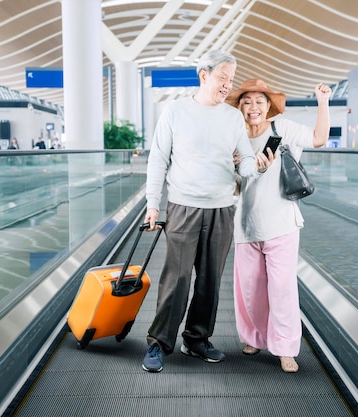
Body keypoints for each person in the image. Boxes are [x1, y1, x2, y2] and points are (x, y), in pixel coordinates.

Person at [142, 50, 274, 373]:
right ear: (204, 75)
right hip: (183, 206)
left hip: (221, 209)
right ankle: (159, 343)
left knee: (210, 281)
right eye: (222, 78)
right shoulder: (175, 112)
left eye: (231, 80)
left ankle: (196, 339)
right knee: (177, 277)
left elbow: (243, 161)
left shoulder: (232, 118)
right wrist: (152, 203)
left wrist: (255, 167)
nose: (227, 86)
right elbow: (158, 158)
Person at [226, 79, 331, 373]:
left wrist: (323, 102)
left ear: (269, 106)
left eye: (260, 101)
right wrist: (235, 167)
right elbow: (233, 188)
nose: (253, 107)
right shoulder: (234, 139)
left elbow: (319, 138)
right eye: (247, 102)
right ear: (239, 107)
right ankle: (255, 338)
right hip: (246, 225)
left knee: (282, 288)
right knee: (250, 288)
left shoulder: (283, 130)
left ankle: (285, 348)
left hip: (282, 223)